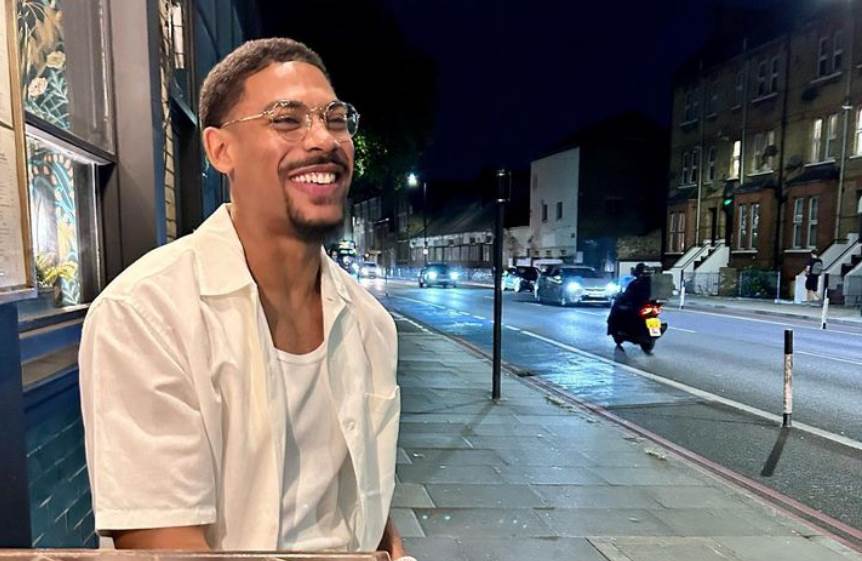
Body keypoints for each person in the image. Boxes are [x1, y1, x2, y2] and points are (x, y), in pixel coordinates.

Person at [78, 38, 408, 558]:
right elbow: (164, 544)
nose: (323, 139)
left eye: (336, 119)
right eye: (287, 119)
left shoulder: (371, 323)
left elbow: (366, 499)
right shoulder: (145, 314)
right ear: (220, 150)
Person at [607, 263, 652, 343]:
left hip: (638, 305)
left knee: (617, 310)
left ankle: (618, 330)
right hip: (645, 304)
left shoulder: (637, 283)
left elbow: (628, 294)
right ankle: (622, 331)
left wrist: (622, 298)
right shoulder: (649, 282)